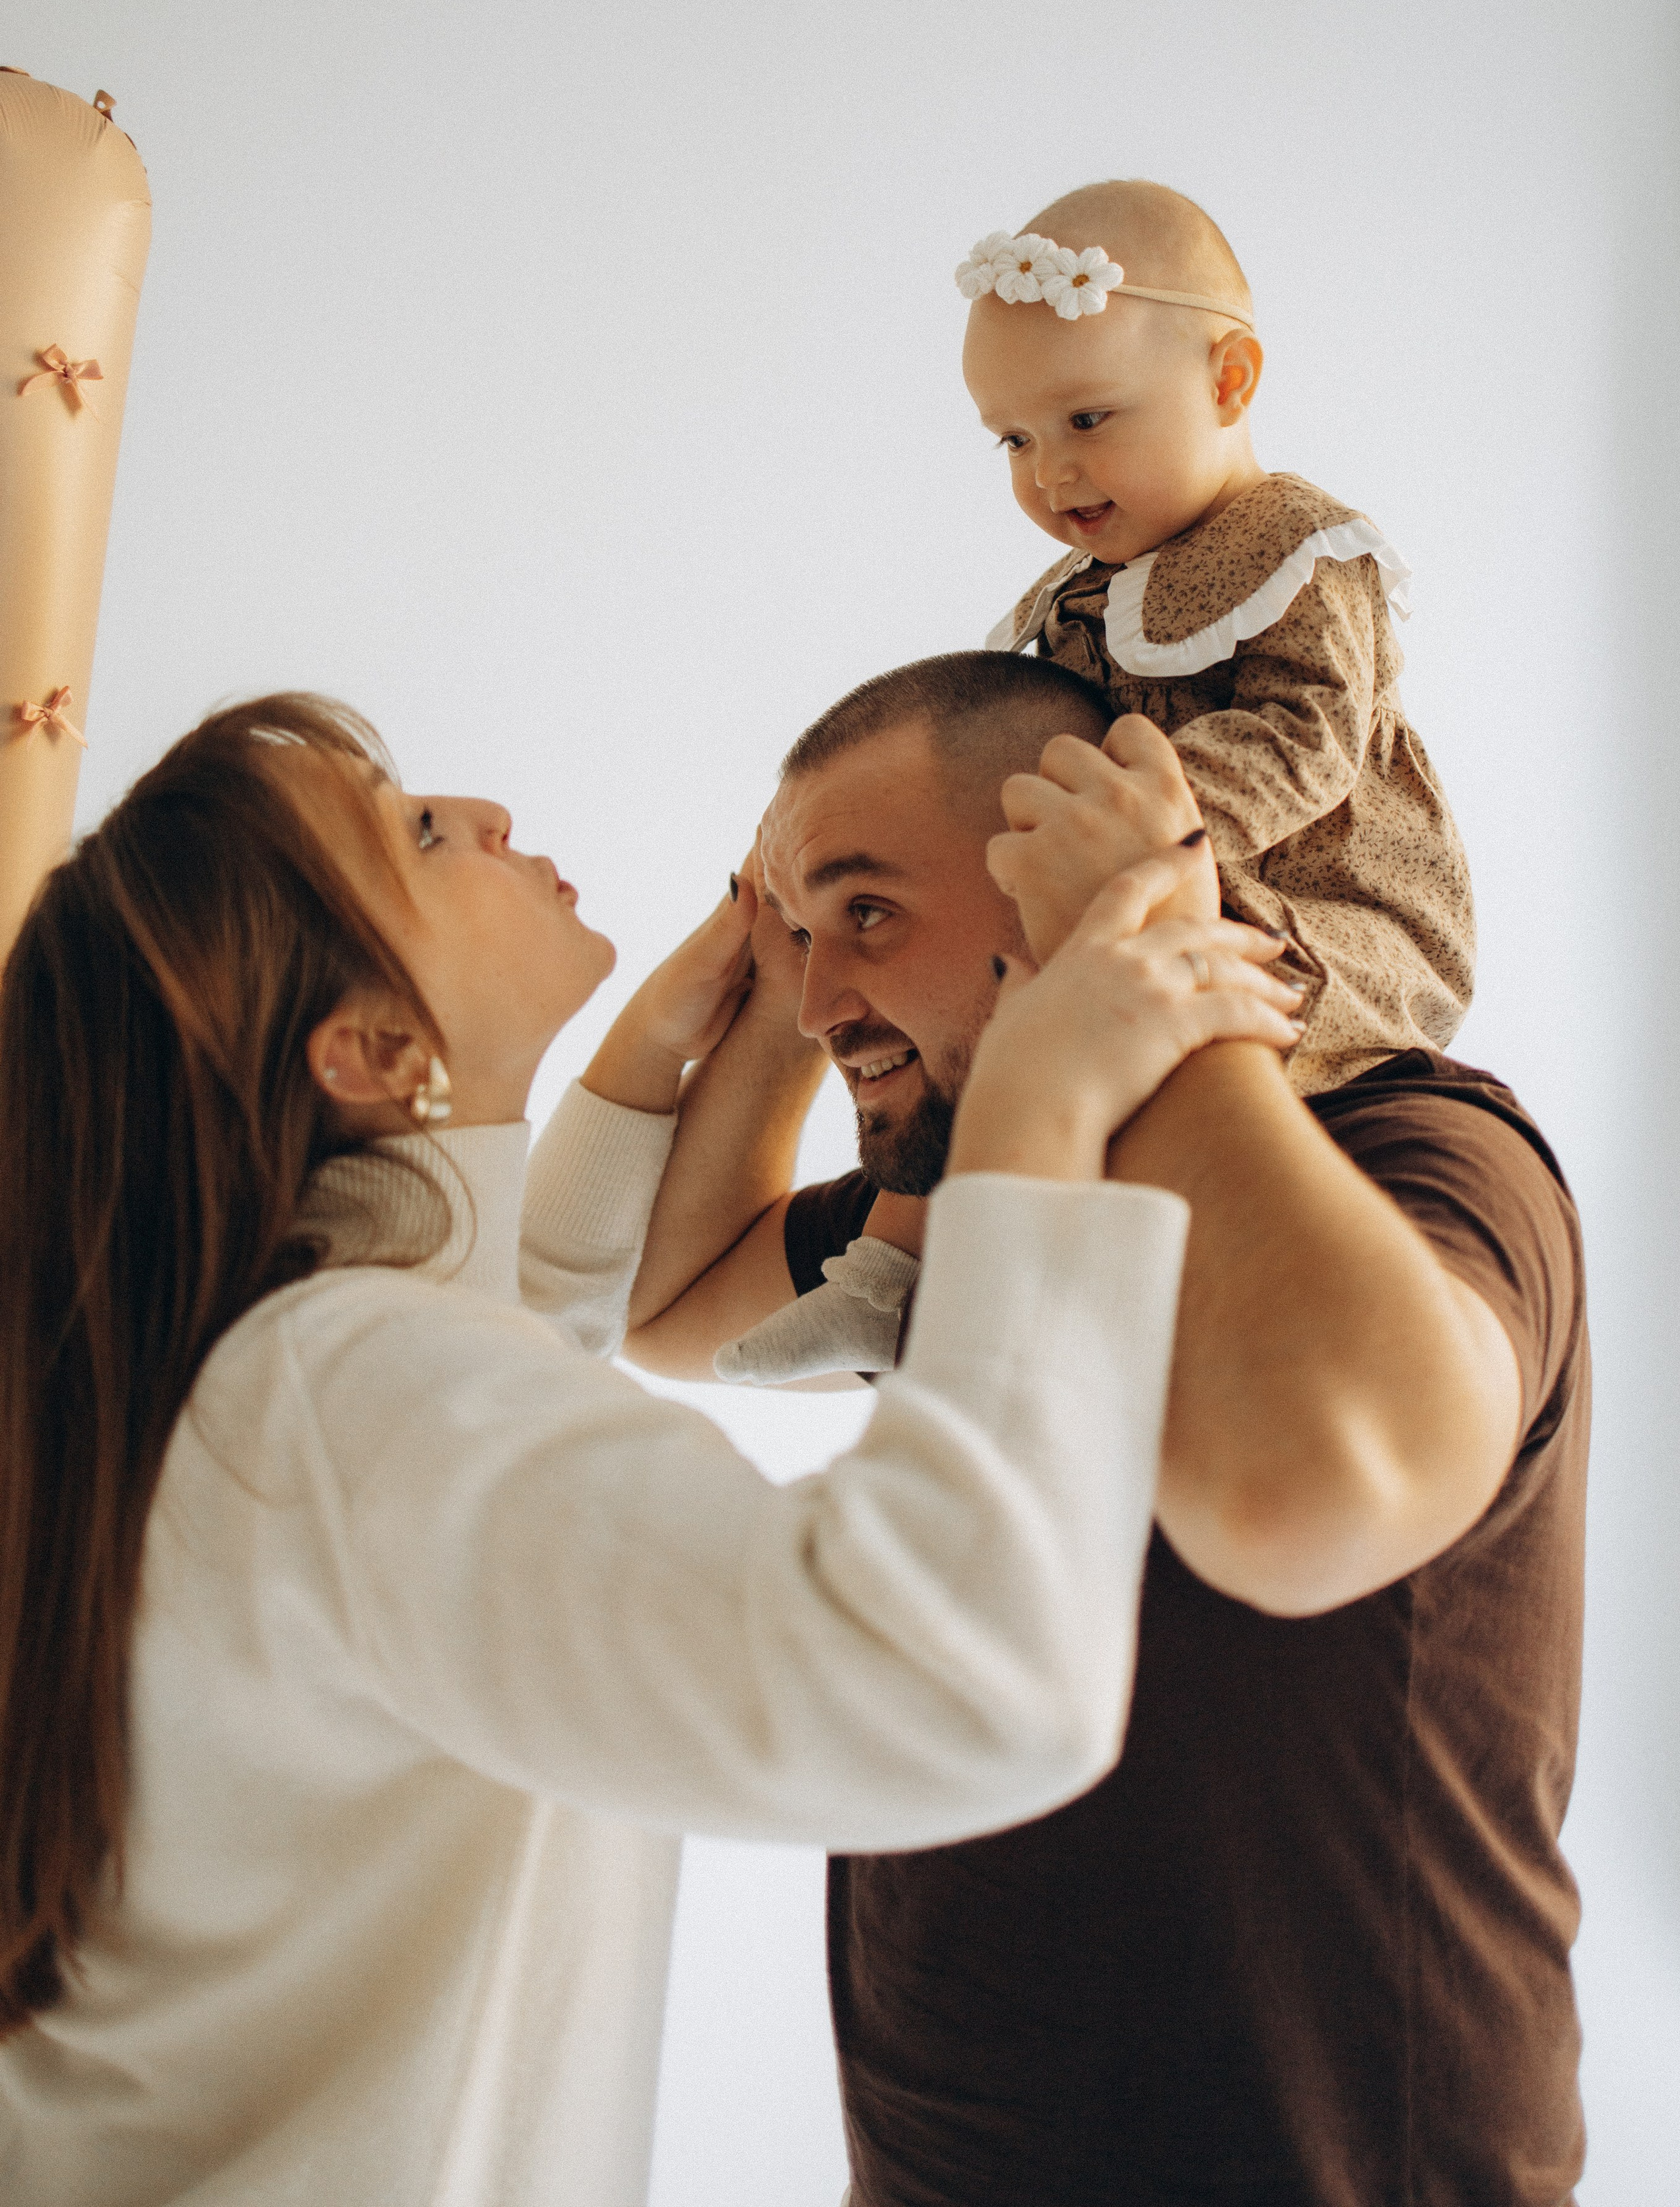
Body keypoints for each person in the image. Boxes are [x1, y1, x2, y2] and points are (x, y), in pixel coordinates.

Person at [0, 690, 1301, 2207]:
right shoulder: (338, 1394)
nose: (481, 812)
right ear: (370, 1048)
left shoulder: (264, 1372)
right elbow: (955, 1678)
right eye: (415, 835)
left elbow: (507, 1380)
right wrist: (1041, 1100)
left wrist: (645, 1061)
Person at [626, 652, 1590, 2207]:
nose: (817, 1001)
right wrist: (774, 957)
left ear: (1064, 878)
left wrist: (1146, 944)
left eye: (868, 911)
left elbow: (1309, 1504)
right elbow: (668, 1301)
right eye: (802, 938)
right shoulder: (996, 1187)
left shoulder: (1420, 1152)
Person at [960, 178, 1474, 1096]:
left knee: (1178, 984)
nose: (1050, 473)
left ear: (1228, 381)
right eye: (1015, 441)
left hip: (1324, 905)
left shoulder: (1298, 548)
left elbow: (1308, 737)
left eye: (1086, 420)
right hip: (1146, 889)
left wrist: (1143, 815)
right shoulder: (1082, 593)